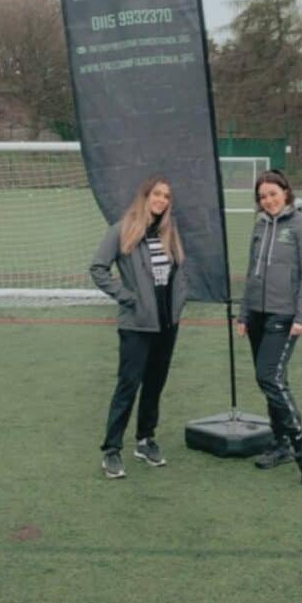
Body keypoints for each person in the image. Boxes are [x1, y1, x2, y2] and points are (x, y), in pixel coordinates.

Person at [91, 176, 187, 479]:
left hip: (166, 322)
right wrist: (126, 297)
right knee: (128, 385)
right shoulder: (122, 229)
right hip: (137, 324)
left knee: (155, 384)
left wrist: (179, 303)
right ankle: (112, 450)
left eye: (166, 196)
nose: (161, 200)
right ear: (145, 196)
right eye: (157, 194)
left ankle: (145, 440)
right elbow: (98, 268)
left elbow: (176, 273)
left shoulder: (169, 232)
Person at [237, 169, 302, 484]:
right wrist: (244, 313)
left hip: (284, 315)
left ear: (285, 192)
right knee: (274, 379)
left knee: (268, 376)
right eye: (262, 197)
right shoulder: (260, 227)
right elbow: (251, 272)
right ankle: (280, 443)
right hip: (257, 315)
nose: (268, 200)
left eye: (273, 193)